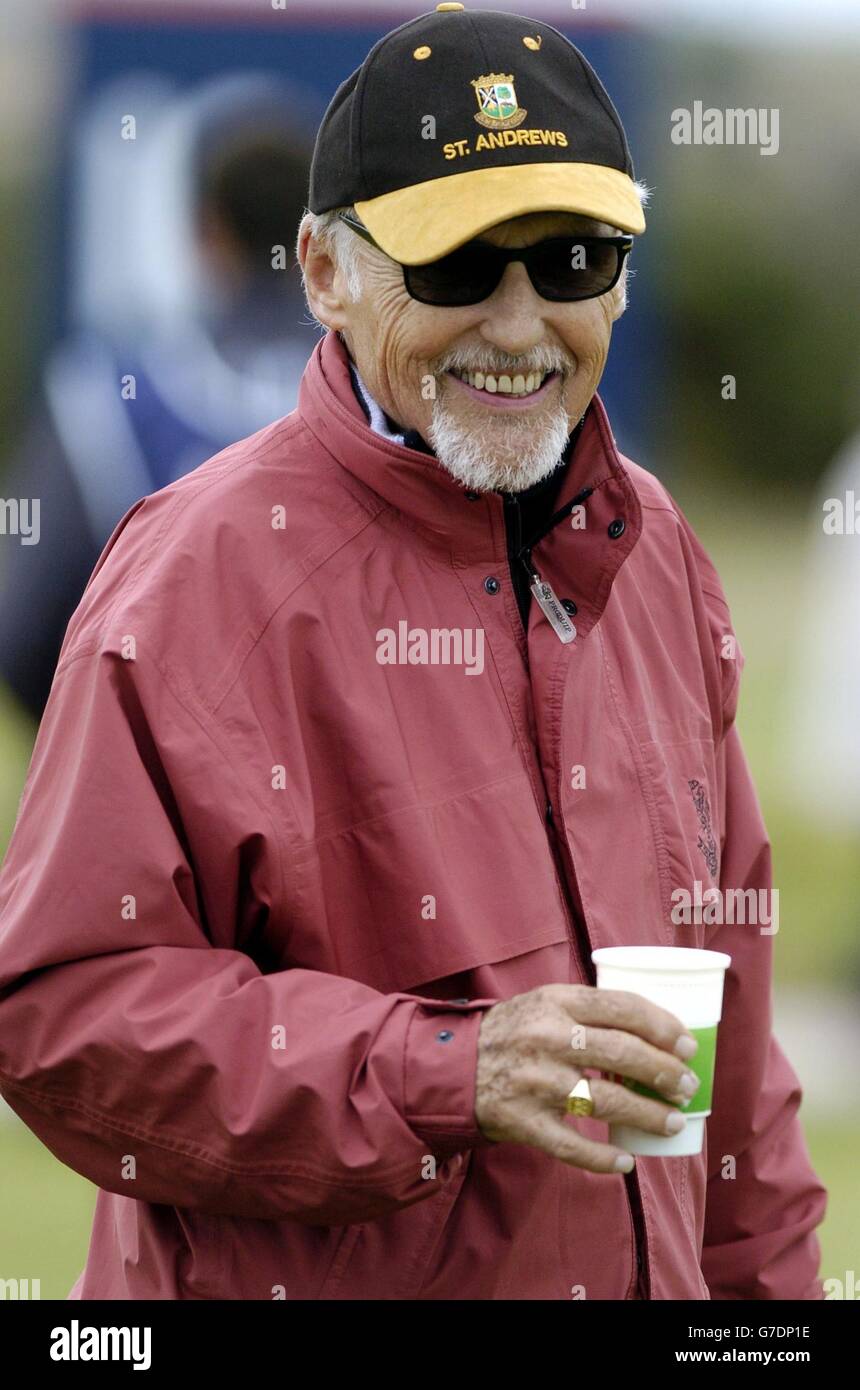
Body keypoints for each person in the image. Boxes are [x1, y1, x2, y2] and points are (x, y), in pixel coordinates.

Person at [0, 5, 825, 1300]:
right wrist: (447, 1068)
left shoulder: (656, 551)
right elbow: (63, 1016)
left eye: (570, 257)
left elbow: (739, 1076)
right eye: (454, 267)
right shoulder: (196, 574)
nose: (518, 323)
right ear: (325, 271)